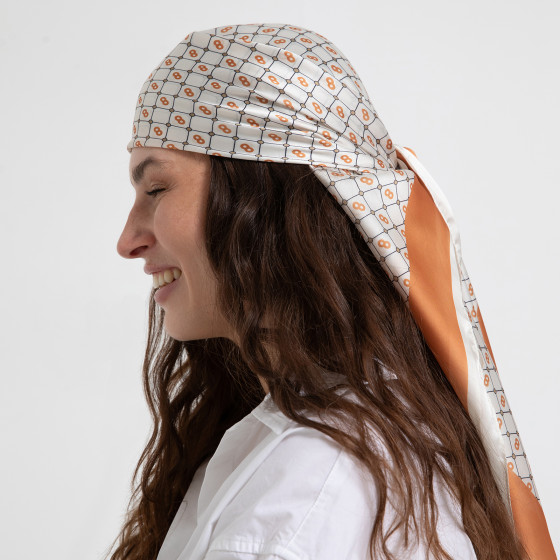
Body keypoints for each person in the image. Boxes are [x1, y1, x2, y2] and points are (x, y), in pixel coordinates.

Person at [107, 23, 555, 560]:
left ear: (263, 201)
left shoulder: (309, 488)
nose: (127, 241)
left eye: (156, 188)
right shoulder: (343, 445)